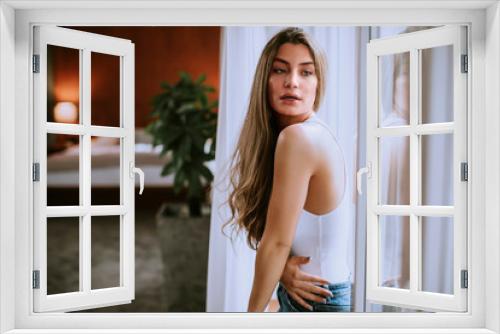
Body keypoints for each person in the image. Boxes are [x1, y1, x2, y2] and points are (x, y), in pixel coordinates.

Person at [226, 27, 351, 312]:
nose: (292, 82)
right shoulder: (298, 136)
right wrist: (283, 270)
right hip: (311, 295)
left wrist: (249, 321)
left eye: (306, 72)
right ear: (264, 80)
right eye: (280, 70)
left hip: (318, 301)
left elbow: (277, 242)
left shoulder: (300, 139)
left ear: (319, 84)